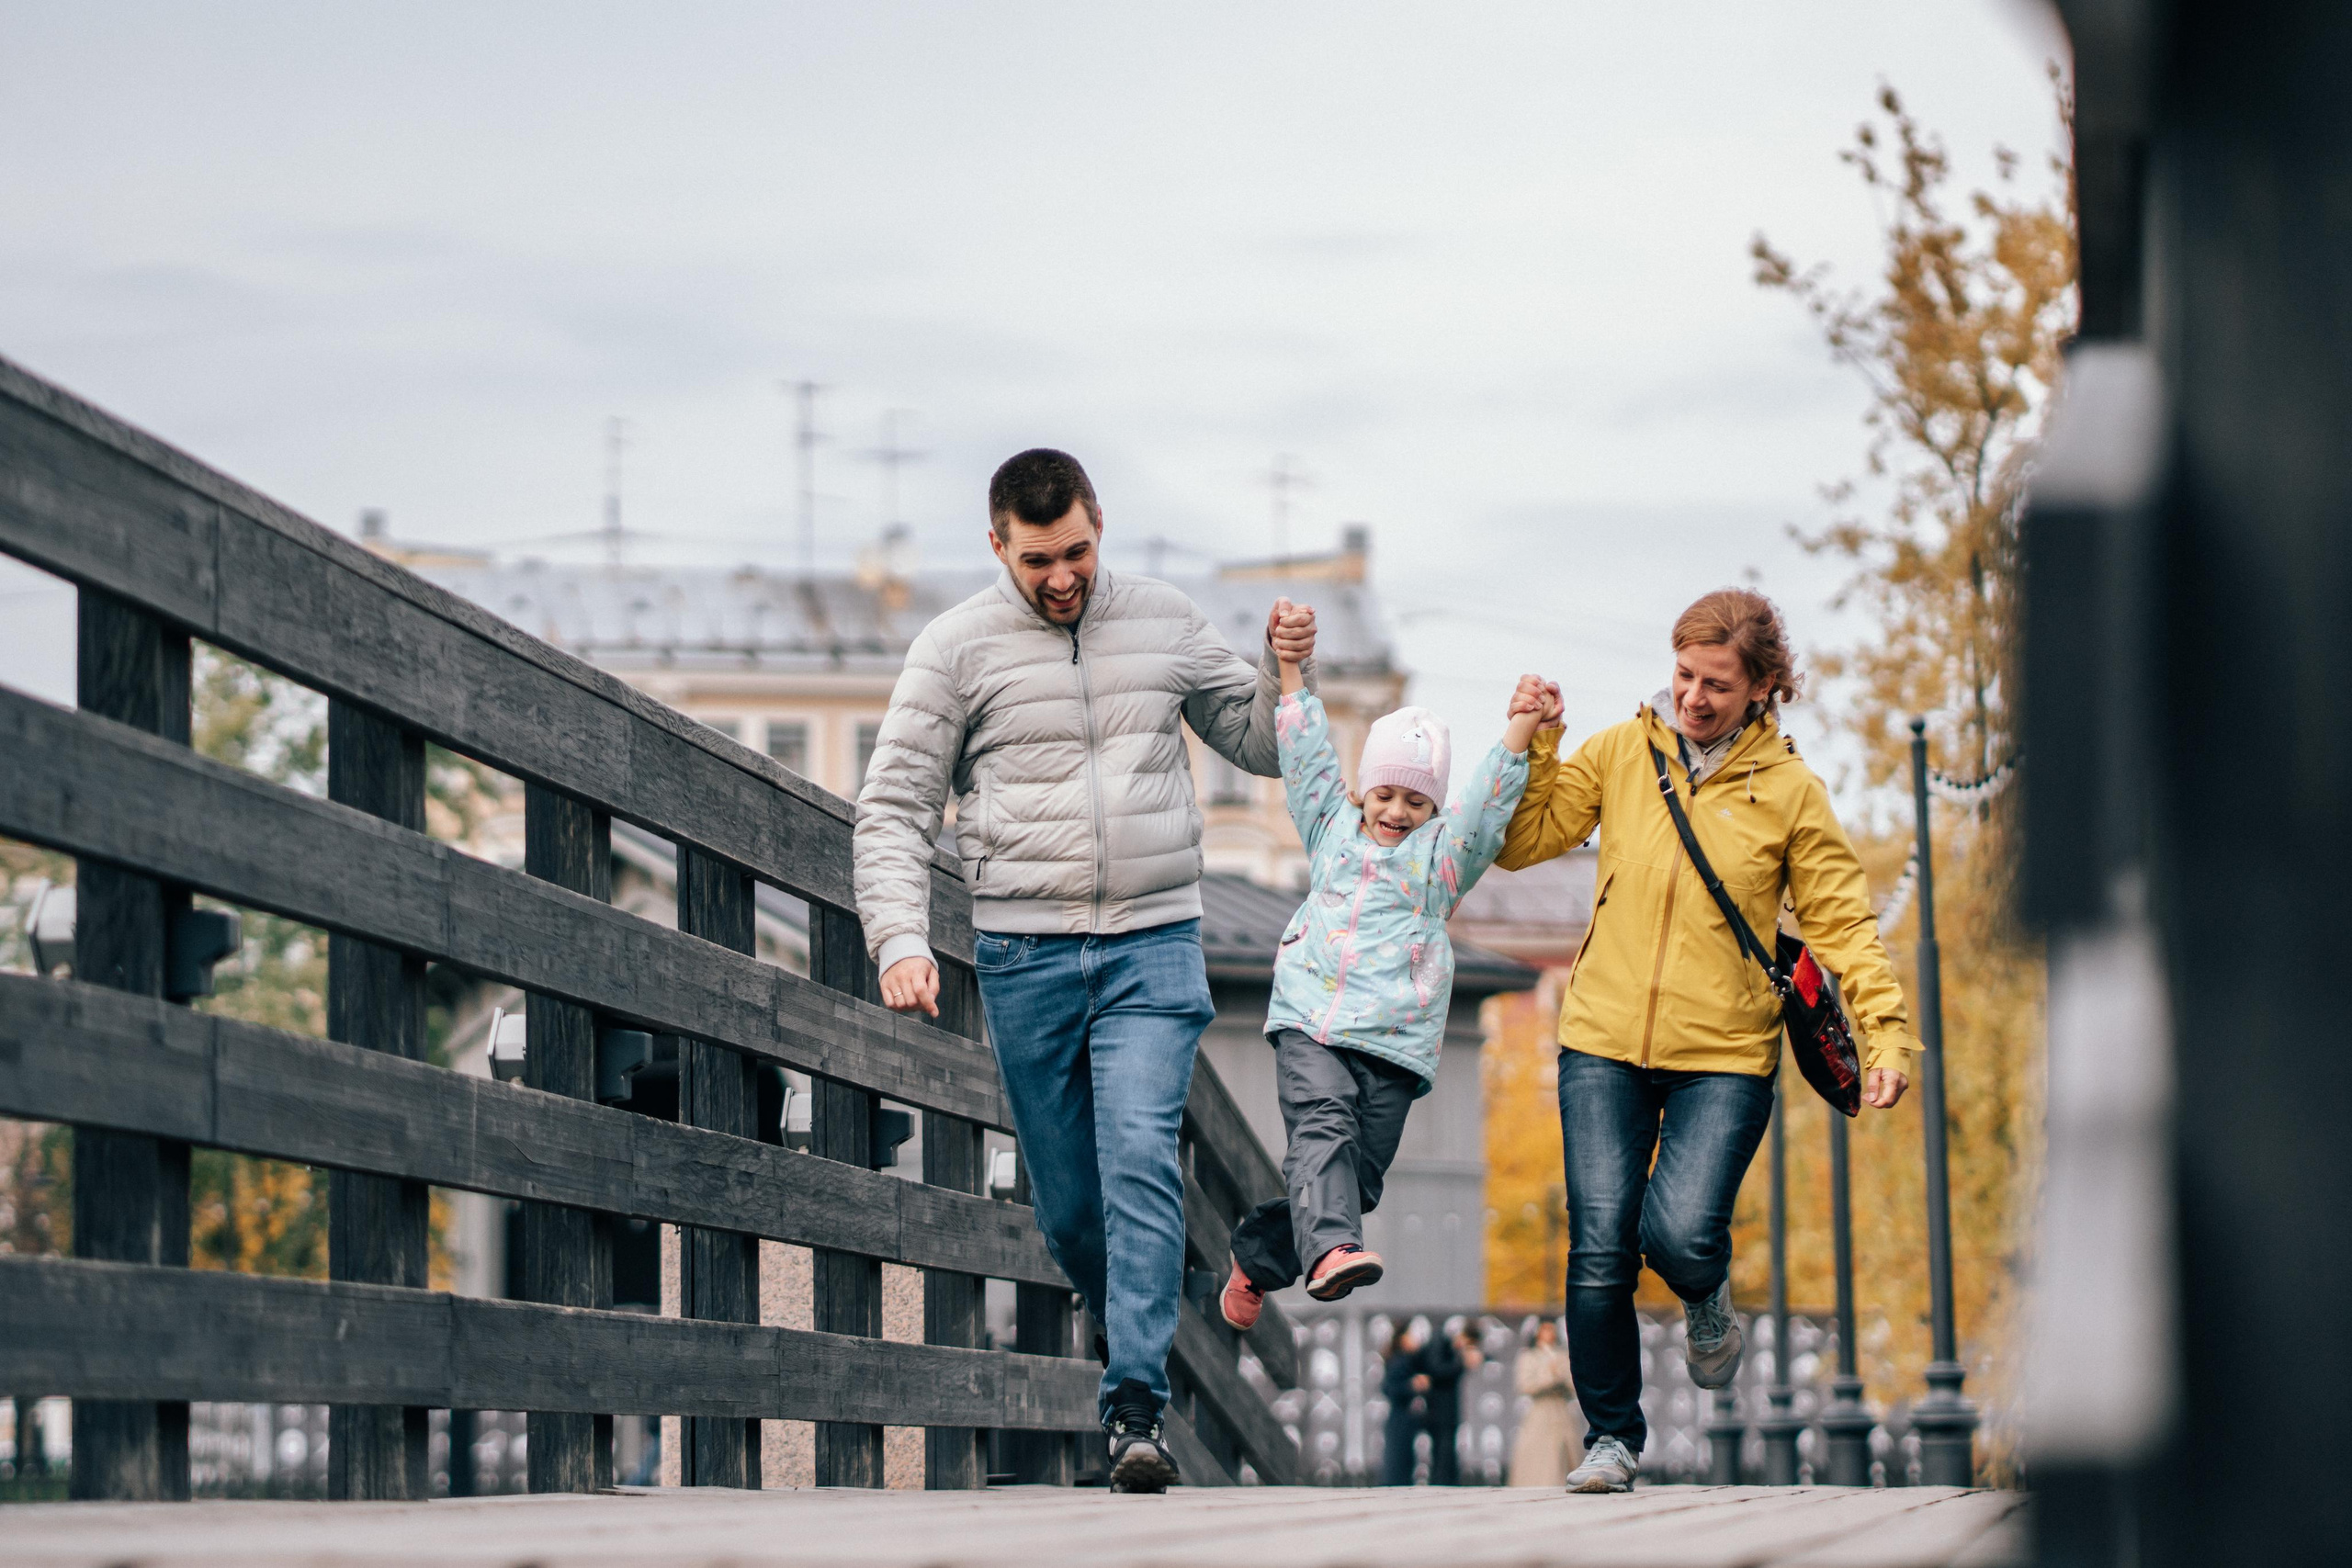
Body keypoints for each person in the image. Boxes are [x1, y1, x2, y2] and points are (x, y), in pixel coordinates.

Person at [854, 448, 1318, 1493]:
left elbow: (1255, 742)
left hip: (1154, 939)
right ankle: (1143, 1322)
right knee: (1069, 1209)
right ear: (996, 548)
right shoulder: (955, 649)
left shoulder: (1158, 617)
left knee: (1140, 1158)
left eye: (1075, 552)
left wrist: (1284, 673)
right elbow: (891, 807)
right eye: (1036, 561)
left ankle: (1134, 1406)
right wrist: (900, 937)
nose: (1061, 577)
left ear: (1098, 526)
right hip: (1026, 954)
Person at [1496, 588, 1918, 1495]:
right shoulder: (1620, 752)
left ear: (1762, 687)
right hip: (1602, 1036)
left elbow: (1844, 924)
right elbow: (1524, 843)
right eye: (1684, 675)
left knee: (1680, 1235)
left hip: (1723, 1053)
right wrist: (1535, 744)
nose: (1692, 697)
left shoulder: (1790, 793)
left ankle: (1704, 1289)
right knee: (1600, 1242)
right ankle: (1612, 1438)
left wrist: (1884, 1037)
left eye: (1716, 685)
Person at [1216, 629, 1545, 1325]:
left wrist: (1521, 724)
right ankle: (1332, 1253)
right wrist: (1290, 666)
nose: (1396, 812)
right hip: (1314, 1022)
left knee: (1355, 1181)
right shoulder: (1331, 828)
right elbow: (1305, 758)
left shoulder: (1442, 862)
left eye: (1415, 802)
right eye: (1386, 794)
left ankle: (1258, 1256)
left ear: (1432, 810)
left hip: (1393, 1042)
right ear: (1366, 788)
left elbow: (1486, 805)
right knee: (1323, 1131)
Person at [1507, 1319, 1578, 1487]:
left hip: (1560, 1409)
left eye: (1552, 1330)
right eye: (1545, 1330)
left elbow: (1573, 1384)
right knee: (1538, 1452)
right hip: (1540, 1409)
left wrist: (1560, 1376)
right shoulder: (1529, 1356)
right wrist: (1549, 1377)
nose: (1549, 1334)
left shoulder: (1562, 1355)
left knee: (1565, 1448)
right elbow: (1525, 1384)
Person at [1419, 1322, 1482, 1485]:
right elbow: (1437, 1370)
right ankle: (1442, 1482)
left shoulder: (1449, 1347)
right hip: (1439, 1408)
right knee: (1442, 1450)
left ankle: (1448, 1481)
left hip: (1446, 1408)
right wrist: (1462, 1363)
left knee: (1447, 1448)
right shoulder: (1441, 1343)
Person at [1378, 1321, 1430, 1486]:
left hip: (1404, 1417)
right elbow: (1389, 1388)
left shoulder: (1407, 1360)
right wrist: (1411, 1385)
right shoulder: (1400, 1360)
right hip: (1400, 1418)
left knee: (1405, 1462)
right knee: (1398, 1463)